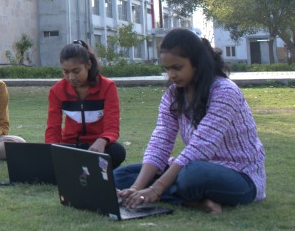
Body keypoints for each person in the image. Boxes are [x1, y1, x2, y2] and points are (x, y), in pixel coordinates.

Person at [115, 28, 266, 214]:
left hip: (239, 174)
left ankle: (177, 195)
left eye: (177, 68)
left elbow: (201, 147)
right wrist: (136, 187)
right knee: (119, 177)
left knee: (191, 177)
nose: (171, 75)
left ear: (196, 63)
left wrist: (156, 188)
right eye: (167, 69)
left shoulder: (225, 92)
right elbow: (161, 140)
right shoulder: (173, 95)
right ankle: (196, 202)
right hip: (191, 165)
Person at [45, 40, 125, 167]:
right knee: (47, 155)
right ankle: (87, 168)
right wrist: (51, 149)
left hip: (96, 146)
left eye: (76, 71)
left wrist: (103, 140)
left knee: (117, 151)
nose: (71, 77)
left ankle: (79, 167)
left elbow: (112, 126)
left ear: (88, 65)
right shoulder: (57, 91)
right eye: (66, 72)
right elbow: (53, 128)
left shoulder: (107, 87)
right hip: (70, 145)